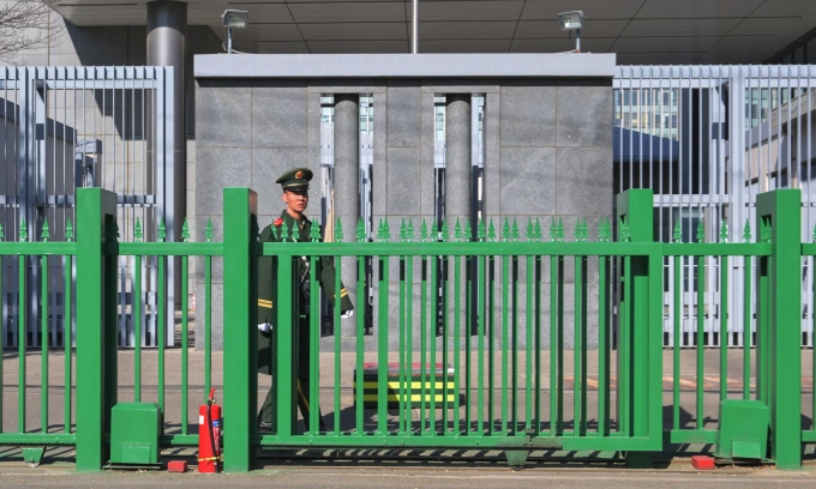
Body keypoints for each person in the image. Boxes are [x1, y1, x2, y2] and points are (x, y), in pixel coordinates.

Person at [256, 167, 354, 432]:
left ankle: (279, 420)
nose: (301, 198)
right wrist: (264, 314)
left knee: (303, 368)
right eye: (295, 193)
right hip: (281, 313)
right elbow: (264, 274)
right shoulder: (273, 231)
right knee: (291, 367)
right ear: (284, 197)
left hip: (304, 312)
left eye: (304, 193)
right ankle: (287, 421)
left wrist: (342, 300)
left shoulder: (312, 230)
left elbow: (325, 268)